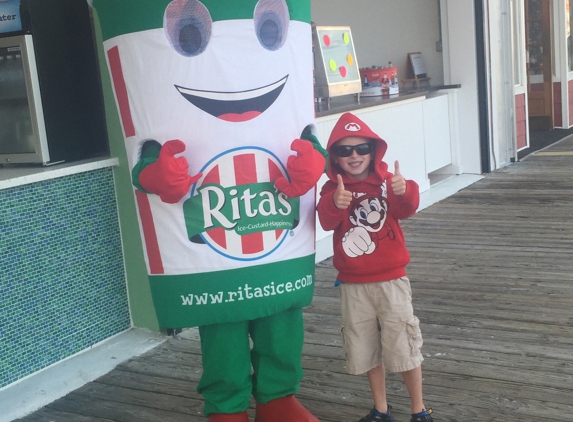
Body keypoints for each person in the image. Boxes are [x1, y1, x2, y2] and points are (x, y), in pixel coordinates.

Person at [316, 112, 434, 422]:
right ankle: (381, 408)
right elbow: (325, 220)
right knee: (366, 347)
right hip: (352, 284)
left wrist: (404, 188)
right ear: (335, 158)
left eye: (361, 148)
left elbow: (406, 209)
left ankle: (419, 409)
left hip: (392, 280)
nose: (354, 156)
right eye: (344, 150)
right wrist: (334, 203)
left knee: (404, 345)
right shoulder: (331, 189)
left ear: (373, 150)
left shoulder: (386, 182)